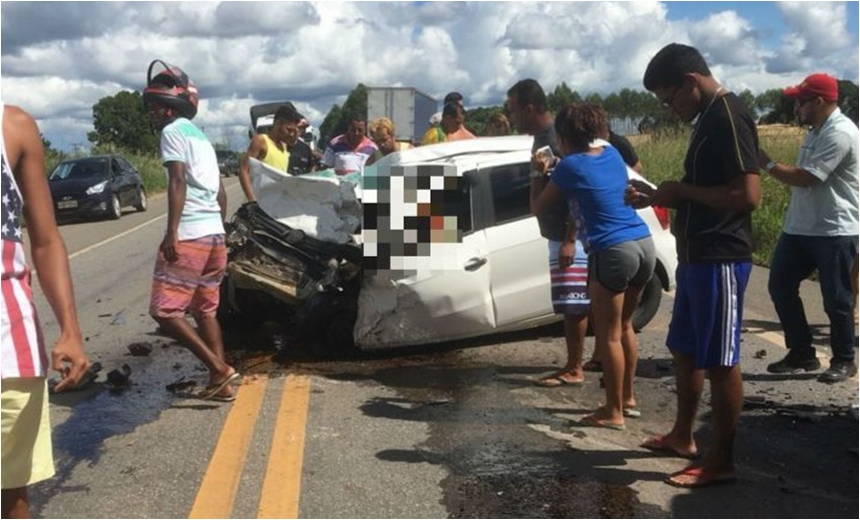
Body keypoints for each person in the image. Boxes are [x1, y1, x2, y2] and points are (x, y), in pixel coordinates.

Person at [630, 43, 761, 488]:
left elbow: (747, 196)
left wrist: (683, 194)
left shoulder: (728, 117)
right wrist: (660, 196)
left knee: (721, 360)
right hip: (696, 258)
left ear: (690, 82)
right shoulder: (707, 118)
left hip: (721, 257)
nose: (670, 110)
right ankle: (683, 436)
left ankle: (720, 460)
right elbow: (707, 186)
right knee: (684, 349)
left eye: (670, 99)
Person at [532, 103, 655, 431]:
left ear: (562, 136)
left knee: (609, 335)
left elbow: (538, 207)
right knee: (626, 327)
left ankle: (612, 412)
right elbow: (592, 182)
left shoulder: (567, 167)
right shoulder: (612, 153)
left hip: (612, 250)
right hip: (643, 243)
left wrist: (538, 172)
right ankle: (627, 400)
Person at [1, 103, 91, 518]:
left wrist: (70, 329)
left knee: (9, 492)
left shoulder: (13, 126)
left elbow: (46, 240)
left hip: (8, 347)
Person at [142, 60, 239, 402]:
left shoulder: (172, 134)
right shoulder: (202, 138)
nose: (153, 113)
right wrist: (220, 230)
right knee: (205, 310)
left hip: (191, 232)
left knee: (164, 311)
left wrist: (172, 232)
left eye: (155, 106)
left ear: (170, 106)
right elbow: (221, 192)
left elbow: (177, 181)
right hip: (214, 234)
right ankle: (222, 387)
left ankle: (218, 368)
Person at [757, 73, 859, 383]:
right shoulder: (816, 131)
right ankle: (802, 352)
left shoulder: (840, 134)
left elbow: (807, 178)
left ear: (819, 101)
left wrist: (768, 163)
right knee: (780, 285)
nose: (796, 107)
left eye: (801, 101)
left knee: (837, 299)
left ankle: (844, 359)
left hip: (834, 230)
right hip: (801, 229)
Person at [507, 79, 589, 388]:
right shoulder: (542, 138)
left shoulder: (556, 139)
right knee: (571, 304)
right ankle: (580, 362)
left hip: (568, 236)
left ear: (529, 108)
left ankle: (575, 367)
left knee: (573, 304)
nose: (513, 118)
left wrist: (569, 239)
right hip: (558, 233)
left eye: (514, 110)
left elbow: (576, 191)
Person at [238, 104, 297, 202]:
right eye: (289, 130)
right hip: (260, 203)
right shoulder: (261, 141)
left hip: (277, 203)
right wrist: (252, 200)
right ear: (278, 124)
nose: (291, 134)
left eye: (294, 131)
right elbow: (244, 170)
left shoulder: (284, 145)